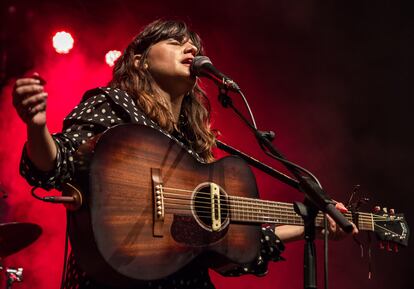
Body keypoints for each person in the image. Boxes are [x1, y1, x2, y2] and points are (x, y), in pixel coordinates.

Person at [12, 19, 357, 289]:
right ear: (139, 60)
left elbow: (230, 251)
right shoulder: (114, 104)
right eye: (174, 41)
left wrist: (310, 225)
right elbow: (58, 165)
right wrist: (36, 127)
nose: (190, 47)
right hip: (112, 282)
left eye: (192, 43)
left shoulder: (196, 147)